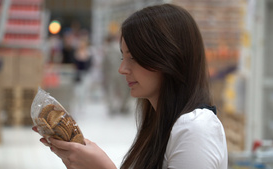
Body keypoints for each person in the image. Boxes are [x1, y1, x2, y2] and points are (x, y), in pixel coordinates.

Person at [33, 3, 228, 169]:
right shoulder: (161, 122)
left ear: (170, 59)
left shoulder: (195, 129)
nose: (122, 69)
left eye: (134, 58)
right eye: (122, 56)